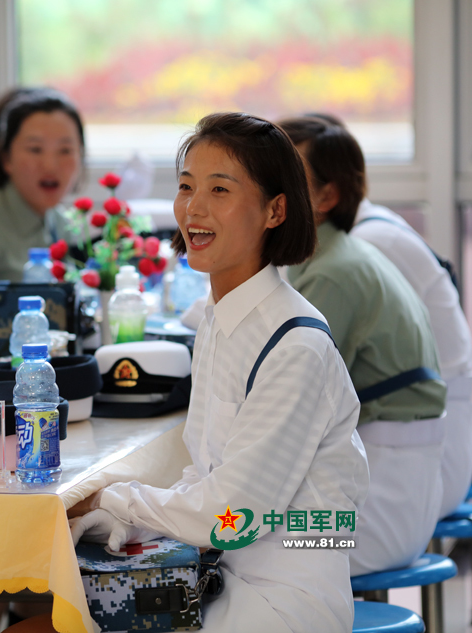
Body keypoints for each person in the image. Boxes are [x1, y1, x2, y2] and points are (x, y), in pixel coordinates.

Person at [68, 113, 369, 632]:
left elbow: (231, 515)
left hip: (279, 602)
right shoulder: (217, 318)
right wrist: (118, 514)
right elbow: (203, 475)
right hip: (214, 575)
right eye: (186, 187)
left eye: (219, 189)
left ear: (276, 210)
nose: (195, 208)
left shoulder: (296, 345)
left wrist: (115, 500)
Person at [278, 116, 447, 576]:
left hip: (380, 512)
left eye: (281, 176)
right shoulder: (329, 258)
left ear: (326, 197)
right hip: (388, 487)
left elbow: (292, 405)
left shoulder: (335, 273)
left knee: (239, 552)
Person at [299, 113, 472, 520]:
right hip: (410, 442)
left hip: (424, 453)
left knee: (243, 548)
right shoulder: (357, 236)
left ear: (329, 193)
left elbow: (302, 389)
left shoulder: (353, 253)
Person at [0, 88, 84, 282]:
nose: (50, 165)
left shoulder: (62, 224)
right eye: (35, 149)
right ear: (6, 159)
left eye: (65, 150)